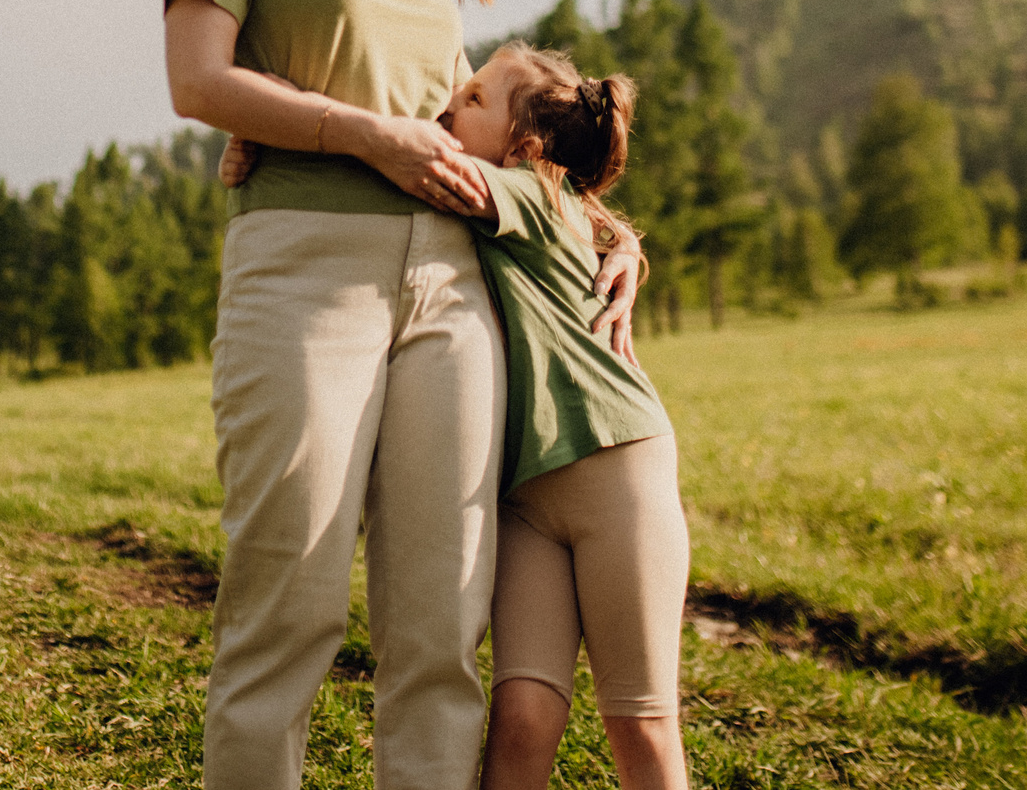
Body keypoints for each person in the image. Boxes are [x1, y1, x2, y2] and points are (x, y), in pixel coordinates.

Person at [162, 0, 643, 790]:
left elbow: (490, 131)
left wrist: (618, 238)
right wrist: (349, 129)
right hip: (304, 273)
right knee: (287, 605)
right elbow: (196, 82)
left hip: (454, 293)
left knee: (439, 623)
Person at [221, 42, 688, 788]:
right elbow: (583, 211)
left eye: (472, 99)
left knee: (639, 718)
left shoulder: (521, 193)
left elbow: (415, 160)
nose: (448, 105)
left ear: (524, 147)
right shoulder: (533, 192)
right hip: (528, 497)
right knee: (525, 717)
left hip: (613, 466)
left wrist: (277, 122)